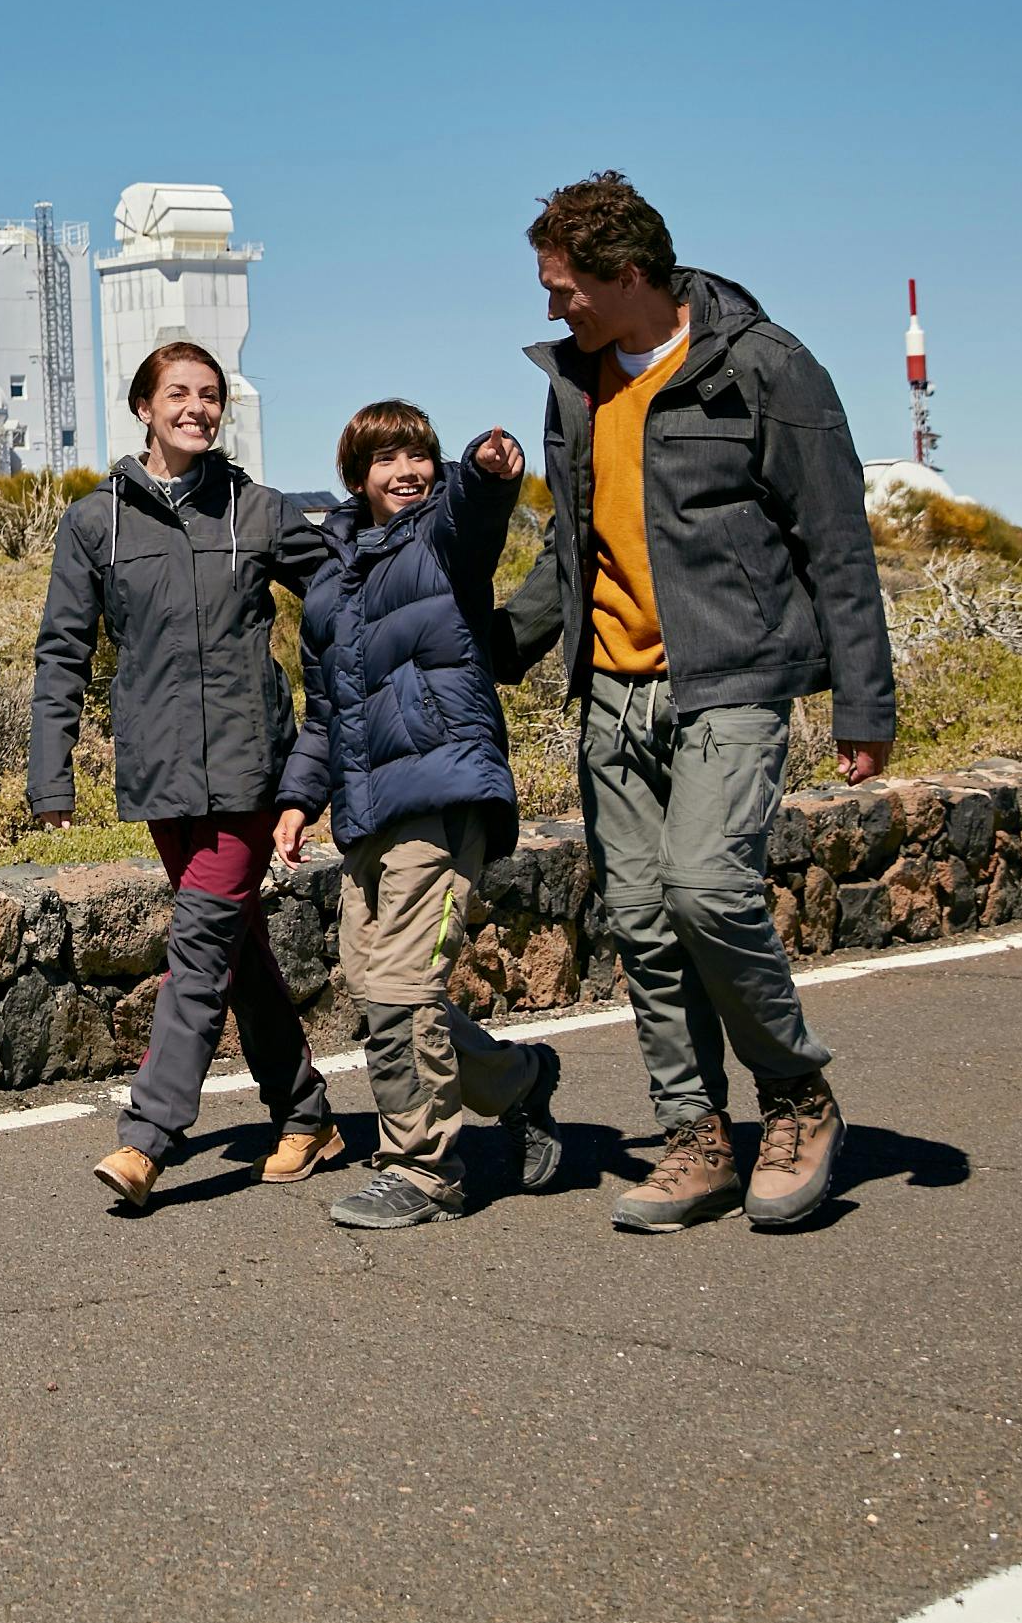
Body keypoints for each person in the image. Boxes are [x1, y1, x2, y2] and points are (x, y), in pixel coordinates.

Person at [511, 172, 897, 1234]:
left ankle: (796, 1098)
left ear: (624, 273)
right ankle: (693, 1138)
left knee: (705, 892)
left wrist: (865, 701)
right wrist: (499, 639)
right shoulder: (575, 385)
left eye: (563, 288)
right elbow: (570, 543)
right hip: (609, 694)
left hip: (728, 679)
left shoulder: (766, 368)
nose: (551, 306)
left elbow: (836, 541)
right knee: (638, 920)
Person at [31, 337, 344, 1211]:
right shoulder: (99, 521)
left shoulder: (258, 510)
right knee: (236, 950)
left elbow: (340, 599)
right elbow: (62, 653)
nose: (198, 408)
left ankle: (148, 1139)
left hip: (251, 768)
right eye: (179, 394)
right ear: (145, 407)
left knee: (201, 946)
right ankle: (308, 1114)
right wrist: (50, 775)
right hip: (159, 770)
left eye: (210, 395)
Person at [279, 401, 570, 1229]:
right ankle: (517, 1082)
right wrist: (300, 799)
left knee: (404, 993)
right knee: (379, 990)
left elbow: (474, 521)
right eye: (386, 459)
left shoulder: (441, 539)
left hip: (443, 796)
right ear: (357, 477)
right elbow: (327, 710)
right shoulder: (331, 581)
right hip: (368, 810)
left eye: (418, 456)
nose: (405, 471)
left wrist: (486, 474)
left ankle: (423, 1170)